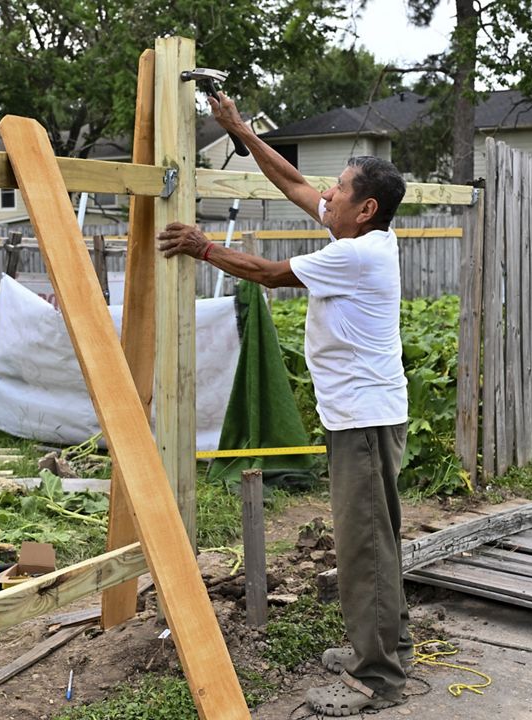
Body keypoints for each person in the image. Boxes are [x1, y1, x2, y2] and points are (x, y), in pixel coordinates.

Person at [156, 92, 411, 716]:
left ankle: (377, 676)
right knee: (376, 537)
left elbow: (271, 275)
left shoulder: (357, 254)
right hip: (362, 411)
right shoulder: (363, 232)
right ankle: (386, 645)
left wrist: (204, 247)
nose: (327, 195)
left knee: (364, 543)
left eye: (340, 189)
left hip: (364, 417)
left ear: (366, 208)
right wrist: (239, 130)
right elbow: (293, 180)